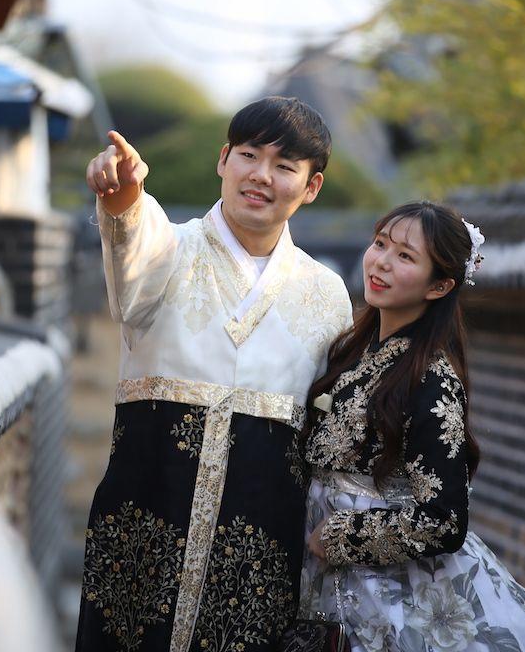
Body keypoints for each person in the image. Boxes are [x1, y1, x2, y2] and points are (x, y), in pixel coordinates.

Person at [76, 97, 354, 652]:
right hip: (143, 536)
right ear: (223, 159)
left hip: (258, 562)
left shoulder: (327, 295)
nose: (261, 175)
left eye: (284, 165)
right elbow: (134, 235)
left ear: (312, 187)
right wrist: (123, 193)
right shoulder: (170, 250)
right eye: (249, 155)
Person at [298, 201, 525, 652]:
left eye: (405, 256)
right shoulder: (348, 351)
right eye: (380, 244)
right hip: (327, 581)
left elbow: (444, 519)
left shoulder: (430, 380)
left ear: (440, 285)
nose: (382, 262)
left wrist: (340, 536)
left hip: (396, 596)